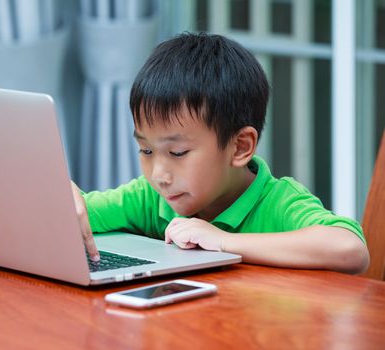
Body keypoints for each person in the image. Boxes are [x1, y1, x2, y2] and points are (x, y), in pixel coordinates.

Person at [71, 33, 369, 274]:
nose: (158, 174)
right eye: (146, 150)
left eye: (177, 152)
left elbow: (350, 249)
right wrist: (64, 197)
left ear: (240, 147)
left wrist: (224, 241)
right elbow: (76, 214)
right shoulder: (152, 199)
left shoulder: (277, 201)